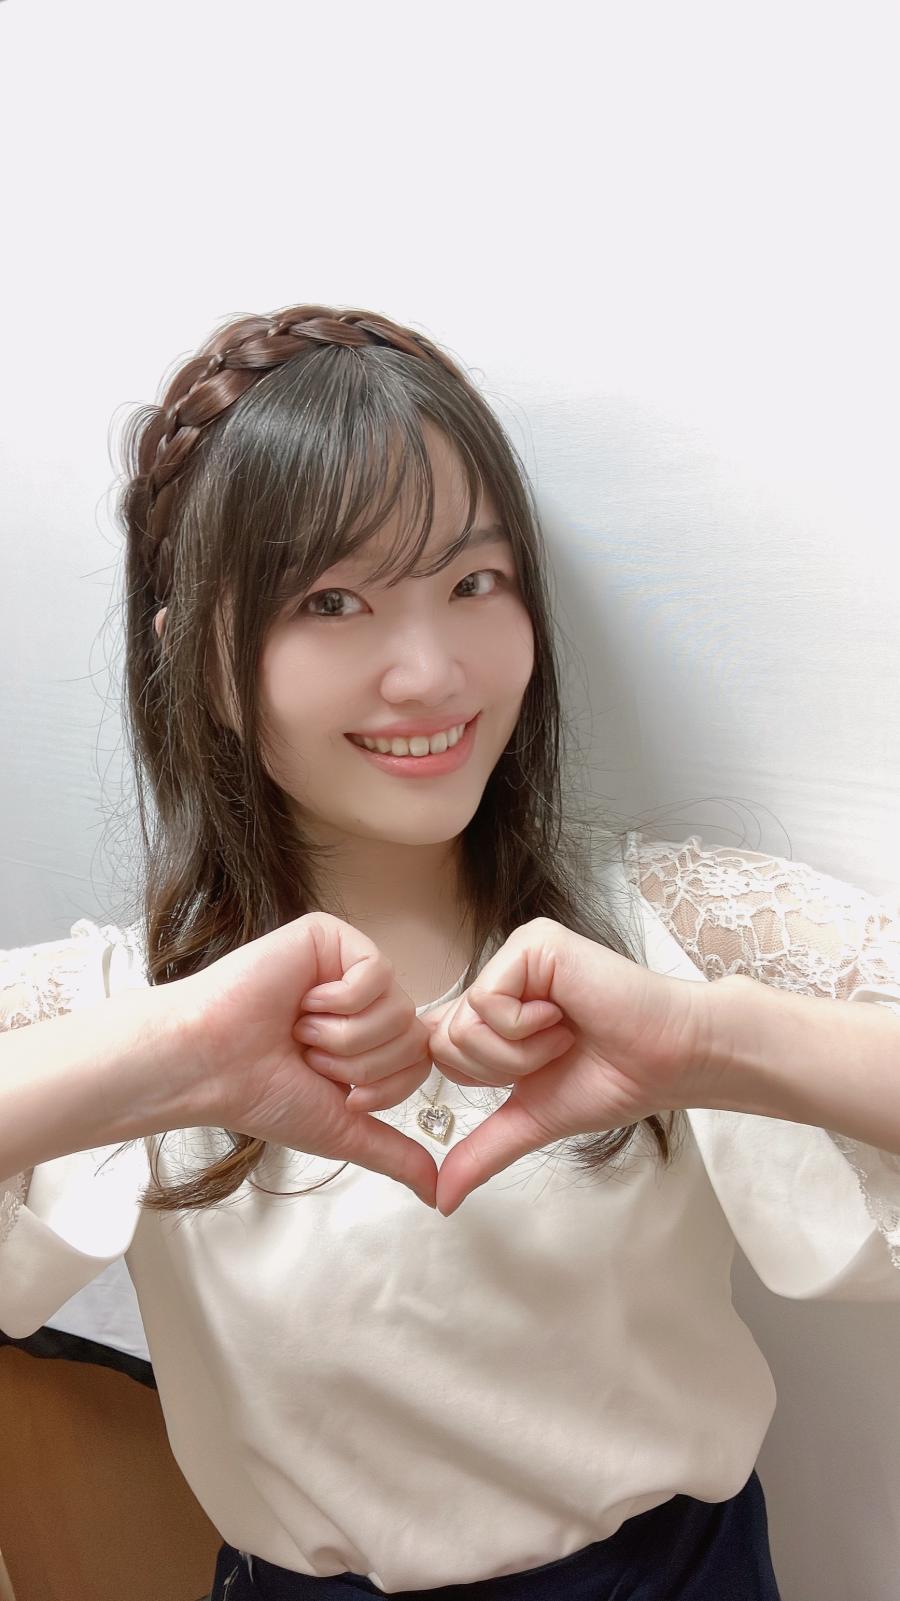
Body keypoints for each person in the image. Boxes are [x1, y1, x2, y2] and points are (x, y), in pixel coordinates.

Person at [3, 303, 900, 1598]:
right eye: (332, 600)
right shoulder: (115, 1011)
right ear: (194, 651)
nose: (430, 672)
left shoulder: (668, 929)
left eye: (474, 582)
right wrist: (170, 1054)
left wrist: (714, 1041)